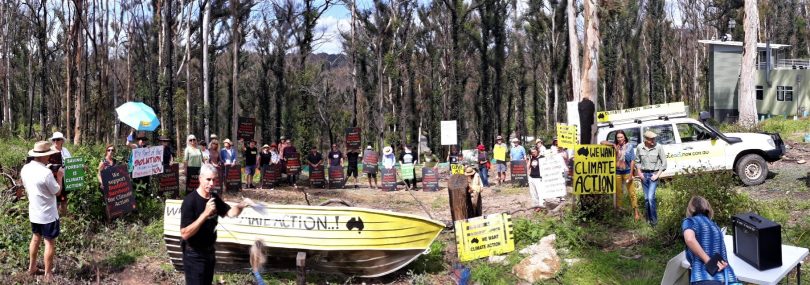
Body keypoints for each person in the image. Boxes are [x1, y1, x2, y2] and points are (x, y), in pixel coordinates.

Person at [180, 164, 253, 285]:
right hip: (194, 254)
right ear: (200, 179)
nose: (211, 183)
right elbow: (185, 234)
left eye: (214, 180)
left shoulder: (214, 198)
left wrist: (241, 205)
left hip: (209, 252)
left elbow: (229, 213)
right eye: (208, 179)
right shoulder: (189, 201)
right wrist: (205, 214)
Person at [22, 141, 63, 281]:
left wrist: (49, 170)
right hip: (48, 215)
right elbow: (57, 192)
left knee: (35, 238)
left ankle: (32, 267)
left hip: (34, 212)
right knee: (49, 242)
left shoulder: (25, 169)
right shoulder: (46, 173)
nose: (50, 157)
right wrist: (59, 177)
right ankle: (48, 274)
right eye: (48, 155)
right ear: (42, 156)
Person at [682, 196, 737, 285]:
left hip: (704, 277)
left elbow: (689, 239)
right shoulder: (715, 226)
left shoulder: (690, 221)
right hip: (728, 278)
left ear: (690, 209)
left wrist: (708, 260)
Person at [601, 130, 639, 220]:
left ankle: (636, 213)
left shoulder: (630, 146)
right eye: (618, 137)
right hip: (617, 172)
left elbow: (633, 161)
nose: (620, 139)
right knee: (618, 193)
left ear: (624, 137)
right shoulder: (615, 146)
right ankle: (619, 213)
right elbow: (601, 142)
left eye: (621, 137)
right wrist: (613, 145)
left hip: (627, 171)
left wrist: (631, 175)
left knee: (632, 193)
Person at [635, 130, 668, 226]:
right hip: (644, 175)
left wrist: (657, 175)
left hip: (654, 175)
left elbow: (664, 163)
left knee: (650, 198)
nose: (653, 141)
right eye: (651, 139)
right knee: (646, 199)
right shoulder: (639, 147)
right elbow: (637, 161)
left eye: (654, 139)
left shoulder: (659, 147)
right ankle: (648, 220)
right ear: (646, 139)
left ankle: (655, 222)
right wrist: (640, 173)